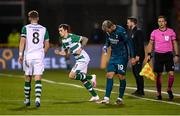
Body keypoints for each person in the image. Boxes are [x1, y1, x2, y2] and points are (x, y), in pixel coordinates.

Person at [54, 24, 99, 102]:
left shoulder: (72, 37)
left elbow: (85, 39)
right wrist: (59, 53)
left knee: (71, 75)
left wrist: (81, 48)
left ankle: (91, 77)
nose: (60, 32)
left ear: (66, 30)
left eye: (61, 30)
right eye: (59, 31)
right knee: (83, 79)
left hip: (83, 58)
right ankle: (95, 96)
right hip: (79, 60)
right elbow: (66, 53)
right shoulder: (64, 40)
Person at [99, 20, 136, 105]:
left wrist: (132, 57)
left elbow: (129, 43)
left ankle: (120, 98)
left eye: (107, 30)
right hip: (113, 56)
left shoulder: (121, 31)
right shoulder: (108, 32)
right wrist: (105, 46)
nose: (106, 32)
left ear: (111, 26)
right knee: (109, 75)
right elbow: (108, 41)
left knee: (121, 76)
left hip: (122, 56)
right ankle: (106, 98)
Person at [18, 10, 50, 107]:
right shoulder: (44, 29)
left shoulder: (25, 28)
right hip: (38, 56)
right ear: (38, 18)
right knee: (38, 77)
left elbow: (22, 42)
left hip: (28, 56)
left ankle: (27, 100)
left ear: (29, 18)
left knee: (28, 77)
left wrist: (20, 54)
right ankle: (37, 99)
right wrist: (42, 53)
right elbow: (47, 45)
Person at [146, 16, 179, 100]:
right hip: (158, 55)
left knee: (171, 73)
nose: (160, 23)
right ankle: (159, 93)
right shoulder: (154, 32)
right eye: (159, 21)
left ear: (165, 22)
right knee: (158, 75)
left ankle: (169, 89)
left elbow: (175, 43)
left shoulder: (171, 31)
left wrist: (177, 55)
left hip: (168, 54)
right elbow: (150, 43)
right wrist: (149, 54)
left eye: (162, 21)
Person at [127, 17, 145, 96]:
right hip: (134, 56)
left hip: (138, 55)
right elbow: (132, 46)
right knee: (135, 73)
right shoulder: (132, 32)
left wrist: (137, 56)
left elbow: (140, 45)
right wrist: (131, 57)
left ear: (132, 23)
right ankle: (138, 90)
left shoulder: (138, 31)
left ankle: (141, 91)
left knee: (138, 73)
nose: (127, 24)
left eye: (128, 22)